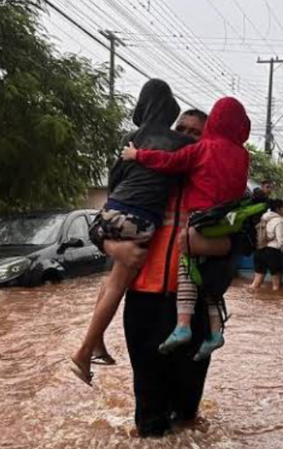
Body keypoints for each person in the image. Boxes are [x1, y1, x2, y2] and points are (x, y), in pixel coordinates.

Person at [70, 79, 194, 386]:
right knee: (116, 286)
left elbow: (116, 177)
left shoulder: (132, 138)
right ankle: (84, 352)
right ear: (171, 110)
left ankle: (96, 343)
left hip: (111, 210)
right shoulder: (183, 146)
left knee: (110, 279)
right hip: (139, 219)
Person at [123, 96, 251, 361]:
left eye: (195, 132)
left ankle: (189, 328)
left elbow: (246, 243)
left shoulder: (200, 154)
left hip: (196, 303)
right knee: (147, 398)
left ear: (209, 131)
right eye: (180, 130)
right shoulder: (146, 181)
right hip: (144, 298)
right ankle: (210, 333)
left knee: (187, 400)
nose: (186, 136)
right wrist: (114, 246)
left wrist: (221, 245)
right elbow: (106, 225)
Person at [251, 199, 283, 290]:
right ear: (278, 209)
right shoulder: (280, 221)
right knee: (276, 287)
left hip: (259, 251)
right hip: (272, 253)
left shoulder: (263, 218)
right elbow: (281, 241)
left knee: (255, 285)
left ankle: (251, 301)